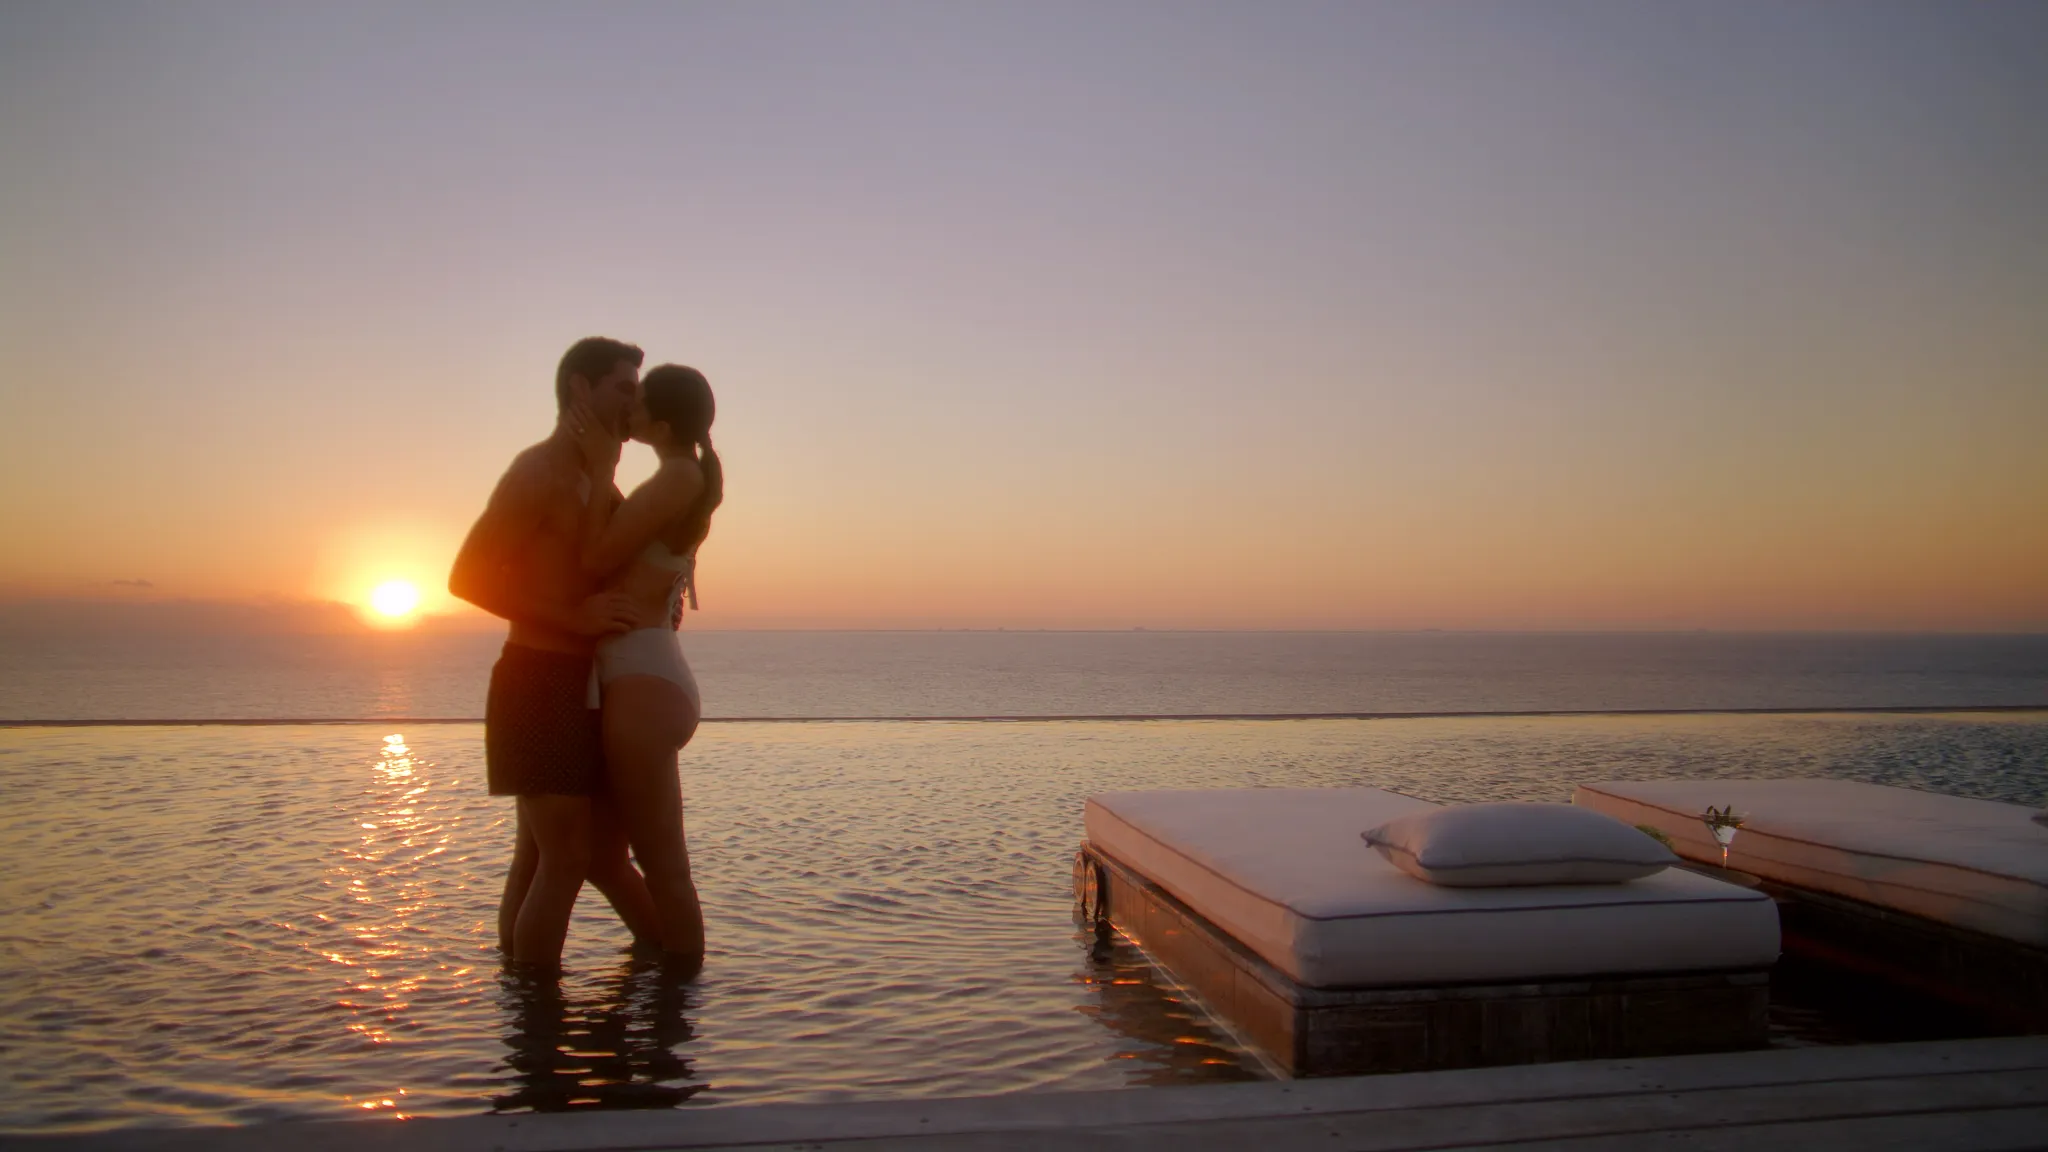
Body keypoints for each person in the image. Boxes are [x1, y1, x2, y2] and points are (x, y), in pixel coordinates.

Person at [448, 336, 662, 967]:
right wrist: (574, 617)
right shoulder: (538, 471)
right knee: (564, 859)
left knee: (540, 856)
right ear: (579, 389)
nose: (635, 401)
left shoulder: (597, 480)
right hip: (537, 681)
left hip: (584, 683)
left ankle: (520, 1007)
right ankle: (537, 1032)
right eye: (623, 388)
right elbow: (467, 577)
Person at [566, 364, 723, 974]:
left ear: (659, 425)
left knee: (665, 866)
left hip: (643, 686)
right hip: (638, 677)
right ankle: (663, 961)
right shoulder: (677, 476)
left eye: (638, 406)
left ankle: (680, 1006)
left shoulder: (678, 477)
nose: (627, 412)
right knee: (603, 858)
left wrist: (601, 464)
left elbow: (593, 559)